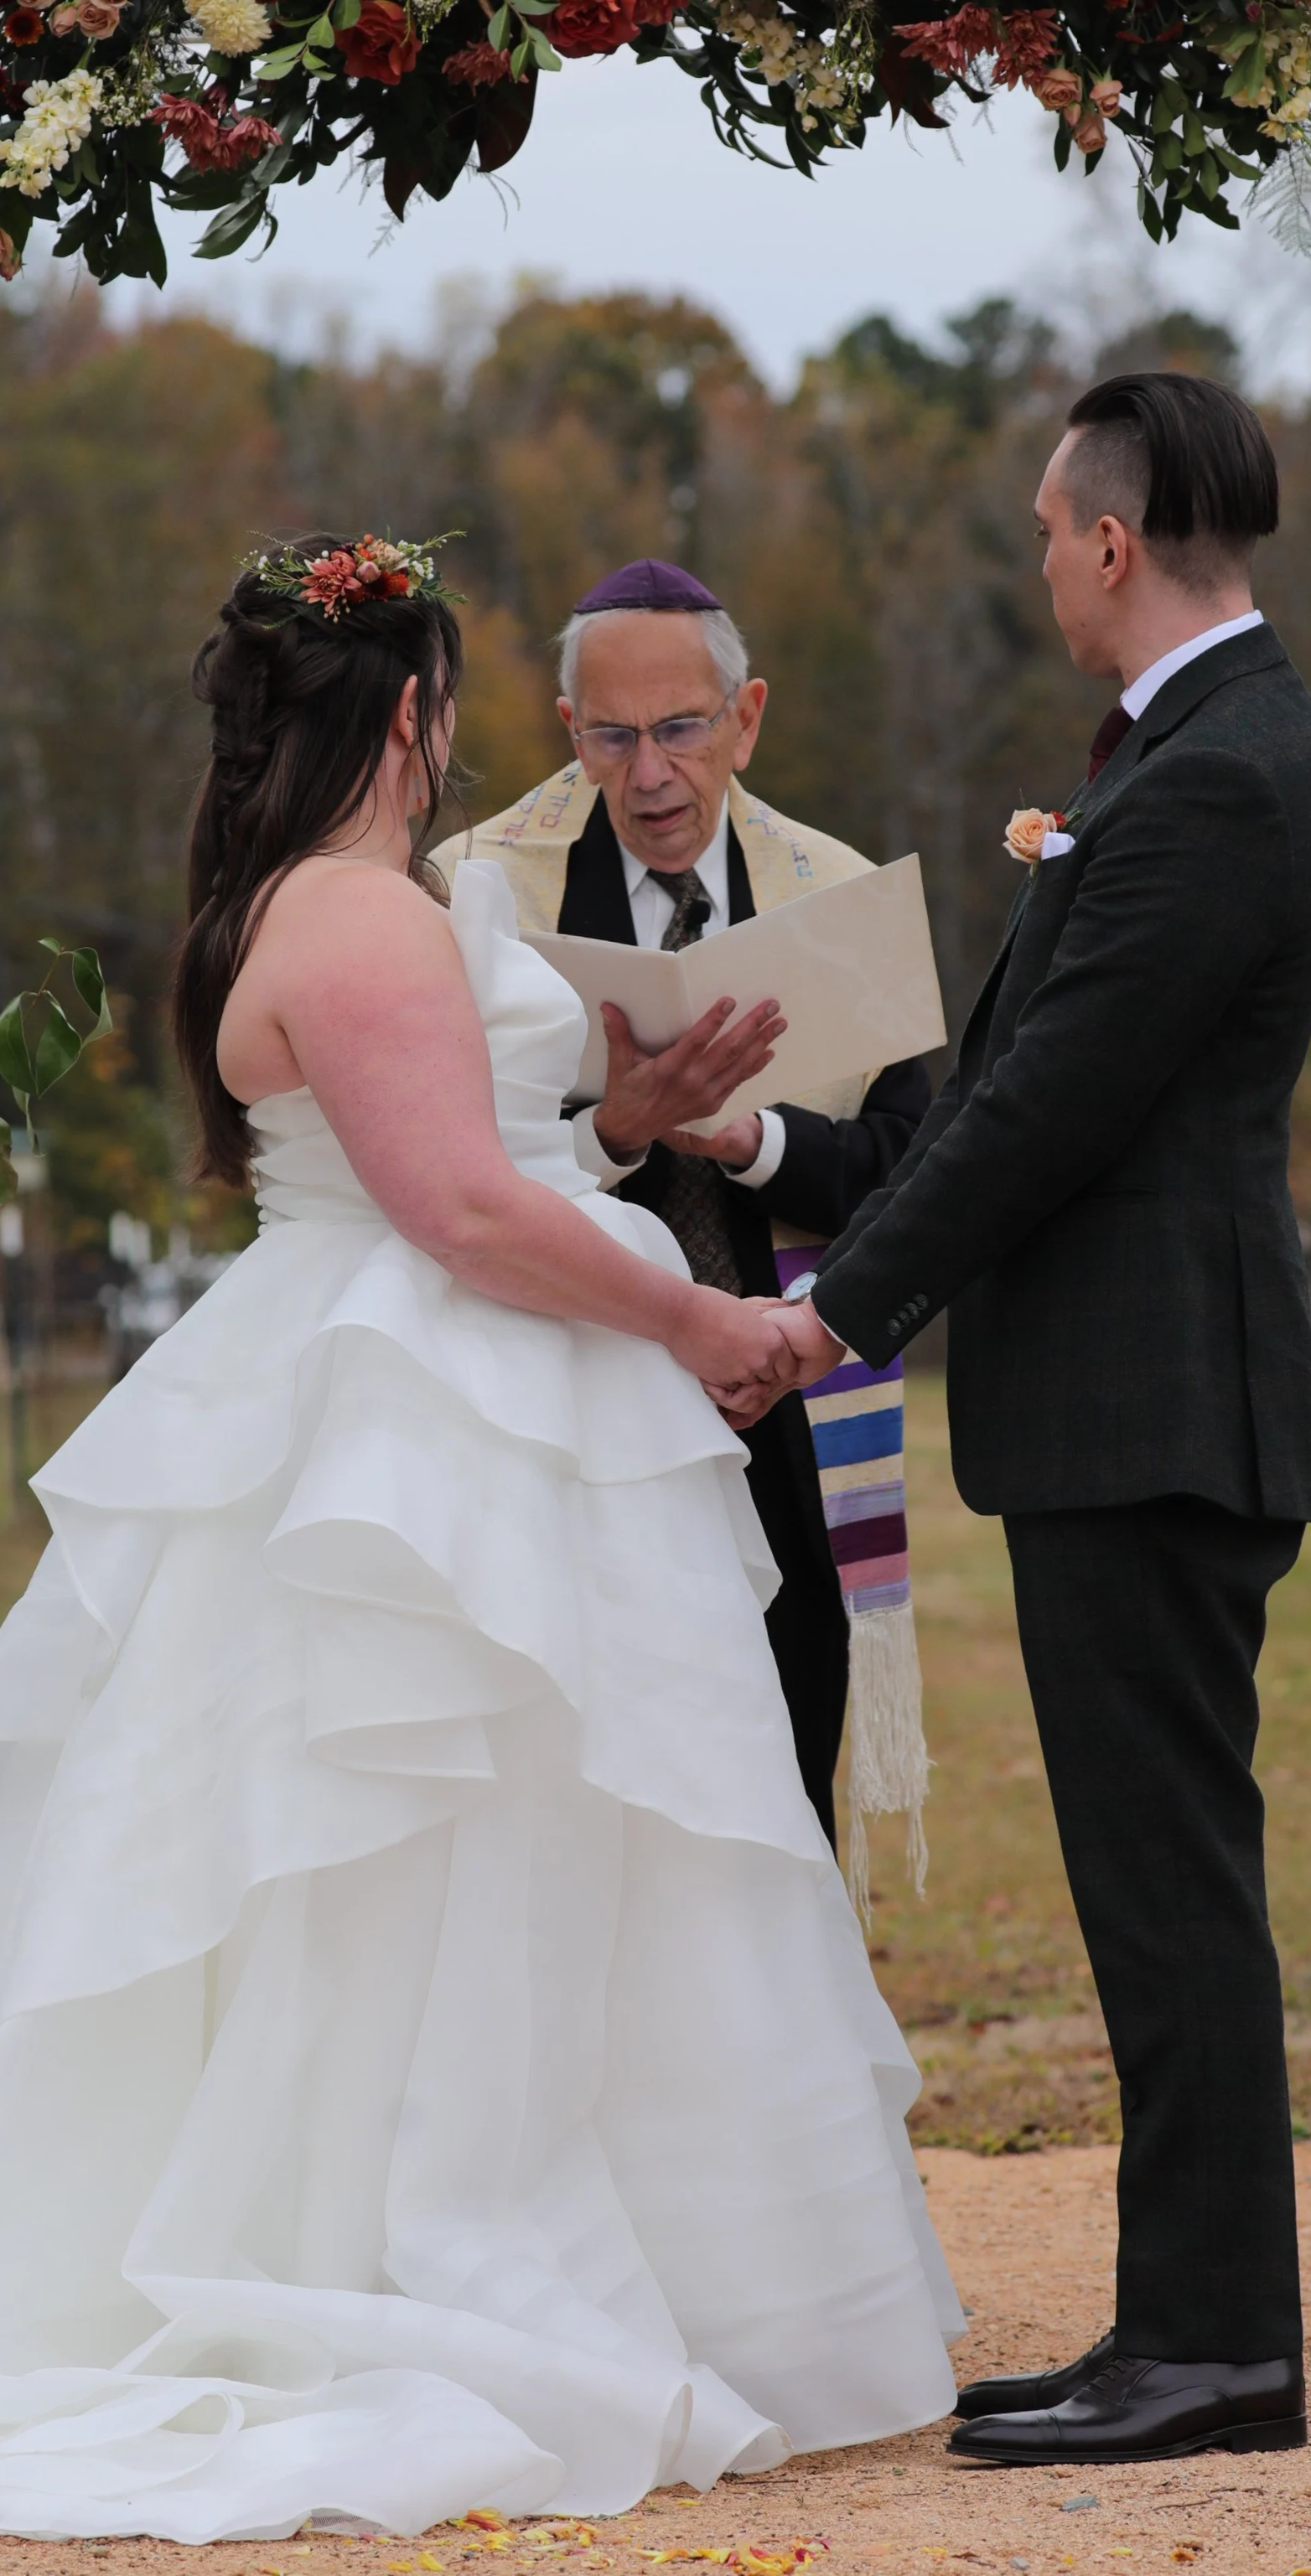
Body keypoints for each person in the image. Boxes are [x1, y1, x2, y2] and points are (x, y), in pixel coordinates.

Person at [0, 531, 961, 2542]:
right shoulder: (354, 920)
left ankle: (579, 2233)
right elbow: (455, 1211)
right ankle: (396, 2242)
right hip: (415, 1415)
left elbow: (500, 1156)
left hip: (448, 1393)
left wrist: (631, 1119)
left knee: (536, 1852)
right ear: (416, 715)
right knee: (411, 1846)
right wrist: (704, 1319)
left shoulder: (358, 905)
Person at [729, 375, 1311, 2465]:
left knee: (1169, 1887)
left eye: (1035, 528)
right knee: (1151, 1879)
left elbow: (1049, 1111)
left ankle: (1216, 2350)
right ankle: (1173, 2322)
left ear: (1102, 538)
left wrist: (838, 1324)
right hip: (1125, 1407)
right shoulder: (1192, 755)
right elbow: (990, 1099)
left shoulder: (1216, 780)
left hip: (1156, 1406)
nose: (1035, 563)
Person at [436, 560, 933, 1854]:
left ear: (746, 717)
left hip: (778, 1397)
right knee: (571, 1771)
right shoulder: (478, 895)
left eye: (680, 729)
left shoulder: (841, 897)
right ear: (568, 732)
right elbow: (433, 1165)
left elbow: (915, 1166)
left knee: (781, 1746)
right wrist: (615, 1131)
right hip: (565, 1393)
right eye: (611, 736)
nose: (649, 772)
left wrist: (756, 1140)